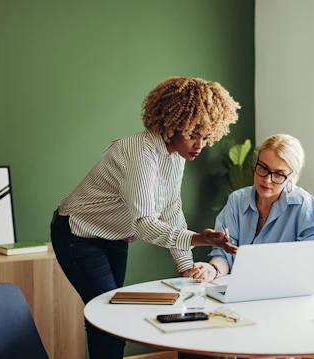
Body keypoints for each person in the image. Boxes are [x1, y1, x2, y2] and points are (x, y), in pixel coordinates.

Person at [50, 76, 241, 359]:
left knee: (112, 316)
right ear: (172, 123)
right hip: (79, 236)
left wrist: (186, 266)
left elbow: (172, 208)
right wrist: (197, 239)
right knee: (106, 317)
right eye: (193, 134)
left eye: (206, 135)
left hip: (115, 237)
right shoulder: (141, 153)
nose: (200, 144)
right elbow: (146, 223)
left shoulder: (176, 154)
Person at [188, 134, 314, 282]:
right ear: (256, 163)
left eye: (278, 174)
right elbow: (223, 254)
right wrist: (212, 270)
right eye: (263, 168)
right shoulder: (237, 201)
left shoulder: (303, 205)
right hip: (241, 289)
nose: (267, 179)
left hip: (285, 292)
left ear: (292, 176)